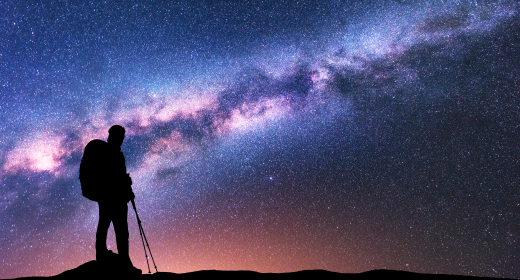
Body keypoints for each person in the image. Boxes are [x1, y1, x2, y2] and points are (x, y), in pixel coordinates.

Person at [95, 125, 141, 275]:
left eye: (122, 136)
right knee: (108, 226)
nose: (121, 139)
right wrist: (124, 182)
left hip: (117, 199)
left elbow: (119, 176)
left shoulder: (118, 155)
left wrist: (126, 183)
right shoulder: (106, 153)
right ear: (112, 136)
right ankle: (104, 256)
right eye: (119, 136)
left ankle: (123, 260)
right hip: (110, 198)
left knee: (120, 231)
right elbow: (109, 177)